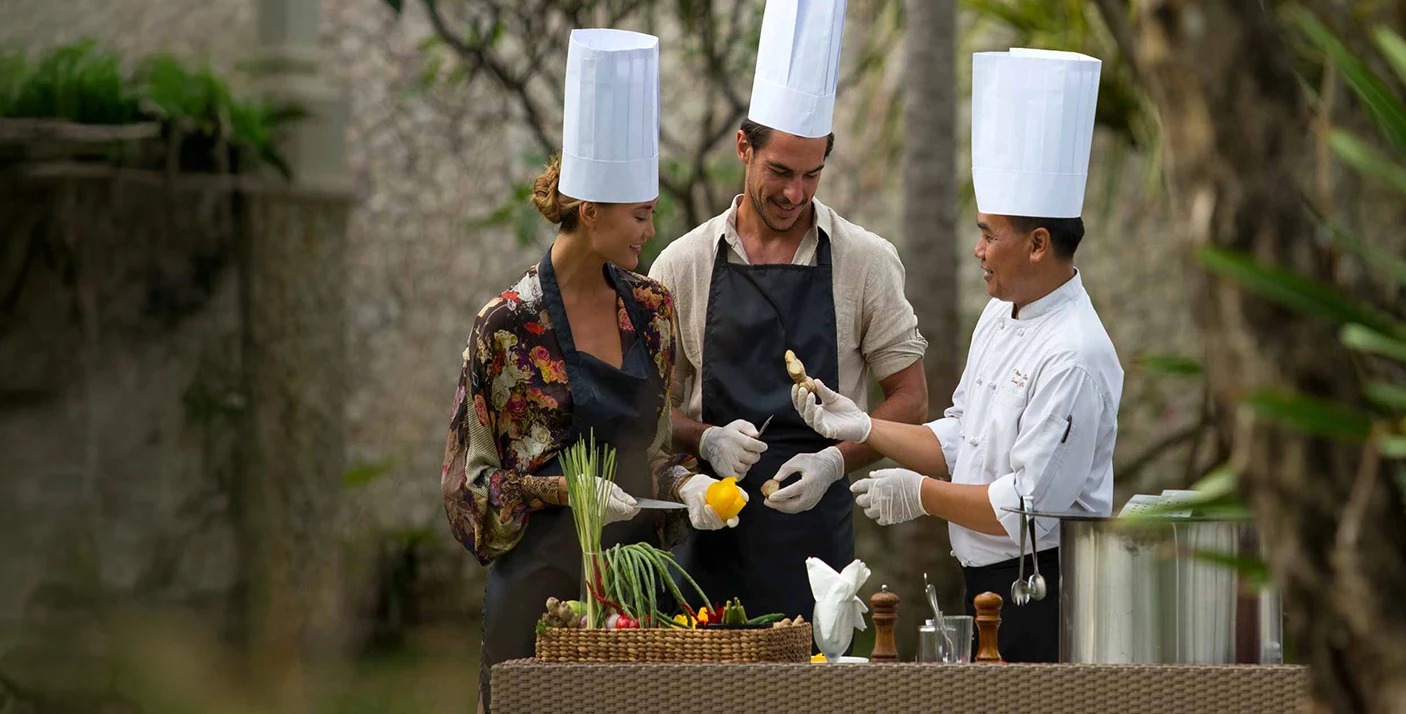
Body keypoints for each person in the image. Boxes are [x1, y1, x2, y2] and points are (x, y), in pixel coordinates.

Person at [788, 48, 1122, 663]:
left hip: (1045, 589)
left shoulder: (1073, 355)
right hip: (987, 583)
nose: (978, 250)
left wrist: (921, 495)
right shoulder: (1002, 313)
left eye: (989, 233)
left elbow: (1023, 507)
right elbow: (961, 435)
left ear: (1039, 244)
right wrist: (867, 427)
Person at [439, 30, 736, 712]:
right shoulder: (507, 328)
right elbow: (470, 490)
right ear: (590, 210)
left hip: (637, 596)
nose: (648, 233)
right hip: (539, 600)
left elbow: (654, 456)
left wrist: (691, 487)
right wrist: (565, 493)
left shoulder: (653, 312)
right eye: (639, 216)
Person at [648, 0, 929, 622]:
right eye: (779, 171)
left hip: (817, 560)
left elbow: (910, 399)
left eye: (812, 174)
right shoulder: (682, 264)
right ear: (743, 147)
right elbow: (650, 411)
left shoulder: (866, 261)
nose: (794, 194)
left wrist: (834, 462)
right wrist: (706, 440)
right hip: (707, 553)